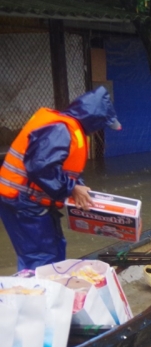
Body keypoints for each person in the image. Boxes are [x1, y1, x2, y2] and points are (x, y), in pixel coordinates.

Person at [0, 86, 121, 271]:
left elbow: (57, 166)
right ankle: (34, 297)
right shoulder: (60, 130)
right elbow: (40, 166)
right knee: (40, 258)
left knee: (55, 250)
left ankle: (51, 293)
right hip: (23, 202)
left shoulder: (67, 129)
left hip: (30, 200)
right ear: (94, 120)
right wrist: (71, 188)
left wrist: (77, 185)